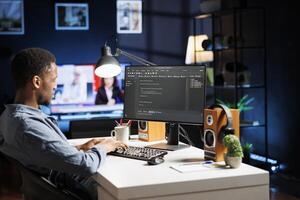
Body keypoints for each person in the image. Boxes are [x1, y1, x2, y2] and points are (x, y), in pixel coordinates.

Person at [0, 48, 127, 200]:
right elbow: (85, 165)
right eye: (53, 79)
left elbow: (41, 150)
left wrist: (80, 148)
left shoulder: (8, 116)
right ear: (36, 82)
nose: (55, 86)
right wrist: (105, 147)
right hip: (76, 190)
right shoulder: (27, 125)